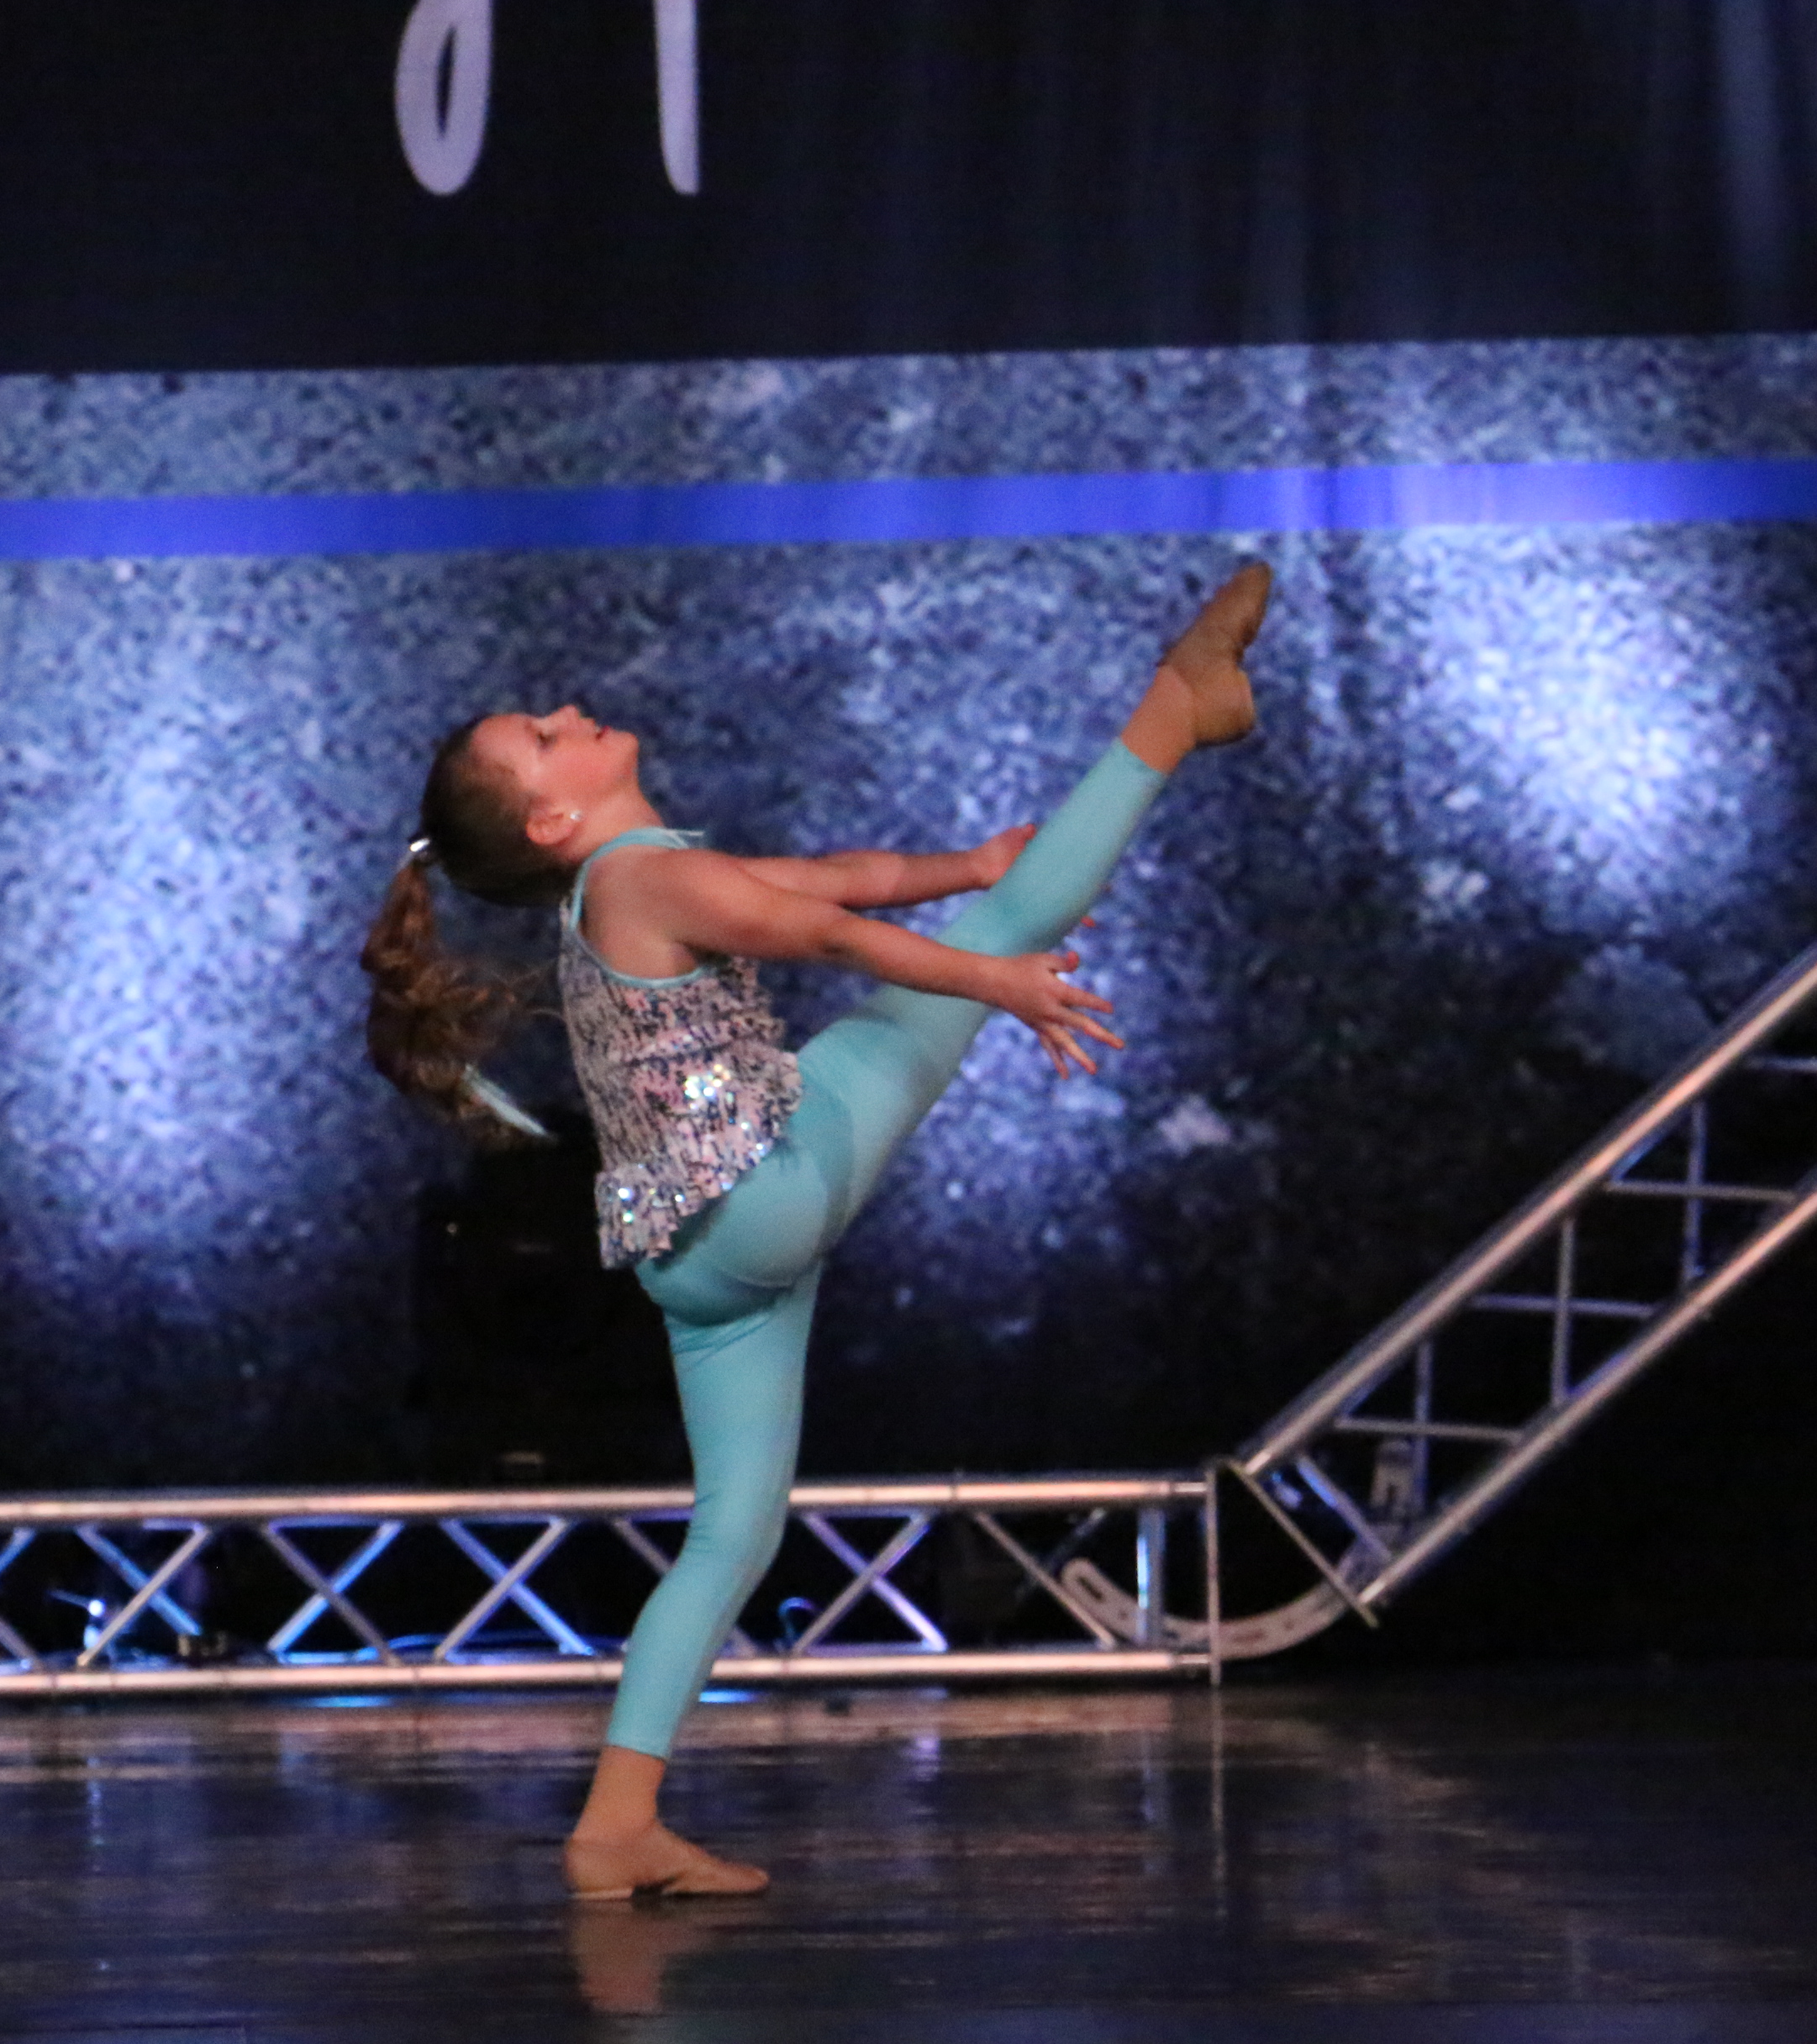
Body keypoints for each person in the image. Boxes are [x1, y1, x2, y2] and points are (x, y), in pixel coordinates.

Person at [361, 561, 1272, 1899]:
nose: (565, 711)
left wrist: (967, 867)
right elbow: (825, 932)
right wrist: (994, 975)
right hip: (761, 1193)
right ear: (554, 815)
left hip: (699, 1263)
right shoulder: (636, 881)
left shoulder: (638, 878)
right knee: (985, 945)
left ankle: (614, 1828)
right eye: (543, 736)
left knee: (732, 1536)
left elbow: (839, 876)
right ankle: (1173, 711)